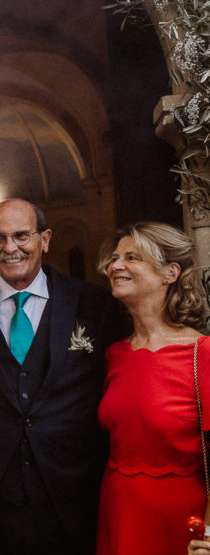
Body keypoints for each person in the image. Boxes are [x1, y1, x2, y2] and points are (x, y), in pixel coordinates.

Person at [0, 198, 127, 554]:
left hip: (70, 492)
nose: (10, 248)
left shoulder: (91, 302)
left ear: (46, 239)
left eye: (22, 236)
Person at [90, 223, 209, 555]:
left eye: (132, 257)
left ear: (169, 273)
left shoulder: (202, 353)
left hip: (182, 522)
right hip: (118, 511)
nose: (116, 267)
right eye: (114, 259)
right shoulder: (115, 355)